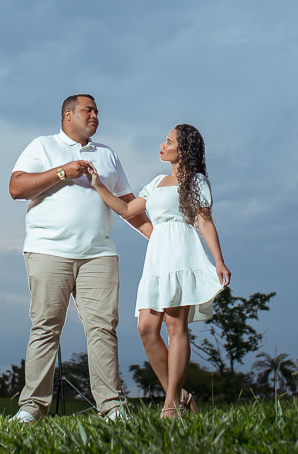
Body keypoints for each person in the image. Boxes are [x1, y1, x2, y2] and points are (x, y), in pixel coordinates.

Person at [8, 94, 152, 423]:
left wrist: (158, 238)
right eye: (89, 110)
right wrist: (63, 172)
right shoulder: (42, 146)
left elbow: (128, 203)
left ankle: (112, 406)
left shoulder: (107, 154)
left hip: (98, 253)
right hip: (48, 250)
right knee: (46, 327)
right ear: (67, 115)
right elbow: (17, 187)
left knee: (103, 328)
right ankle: (32, 407)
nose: (96, 116)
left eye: (98, 111)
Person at [85, 123, 230, 418]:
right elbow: (128, 211)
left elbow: (204, 221)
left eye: (168, 141)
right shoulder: (156, 182)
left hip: (182, 254)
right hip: (157, 257)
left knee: (177, 328)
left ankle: (171, 405)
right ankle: (181, 396)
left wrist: (218, 260)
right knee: (146, 328)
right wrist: (99, 185)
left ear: (183, 149)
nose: (162, 146)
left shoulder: (197, 181)